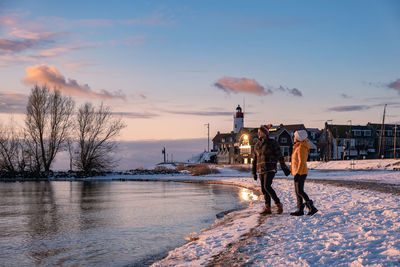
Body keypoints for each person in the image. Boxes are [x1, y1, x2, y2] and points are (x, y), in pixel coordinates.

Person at [252, 125, 291, 215]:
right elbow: (254, 160)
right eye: (258, 131)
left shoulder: (272, 143)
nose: (258, 133)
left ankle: (278, 204)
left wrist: (284, 168)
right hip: (260, 169)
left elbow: (280, 156)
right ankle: (267, 208)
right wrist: (253, 172)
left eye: (260, 131)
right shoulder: (257, 145)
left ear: (265, 133)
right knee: (263, 189)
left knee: (267, 186)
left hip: (270, 168)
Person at [289, 130, 318, 216]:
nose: (293, 138)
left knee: (300, 191)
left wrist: (298, 173)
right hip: (297, 172)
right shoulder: (297, 147)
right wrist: (291, 170)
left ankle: (312, 207)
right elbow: (295, 161)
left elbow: (302, 162)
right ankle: (300, 209)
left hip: (301, 172)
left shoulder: (301, 147)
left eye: (295, 136)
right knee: (297, 191)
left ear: (298, 138)